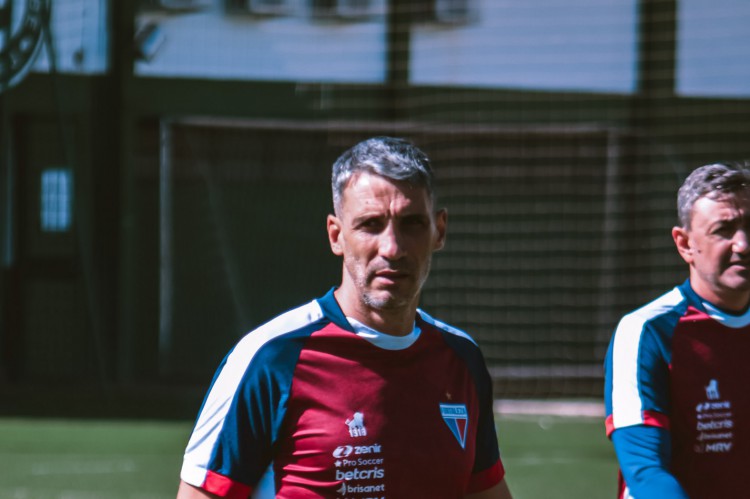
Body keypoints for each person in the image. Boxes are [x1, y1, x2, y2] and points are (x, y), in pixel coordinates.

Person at [177, 136, 513, 498]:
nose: (392, 248)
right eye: (370, 224)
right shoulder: (270, 358)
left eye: (412, 223)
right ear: (336, 235)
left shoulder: (462, 360)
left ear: (439, 231)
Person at [604, 161, 750, 498]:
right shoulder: (646, 331)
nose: (742, 243)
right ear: (684, 244)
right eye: (724, 230)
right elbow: (645, 470)